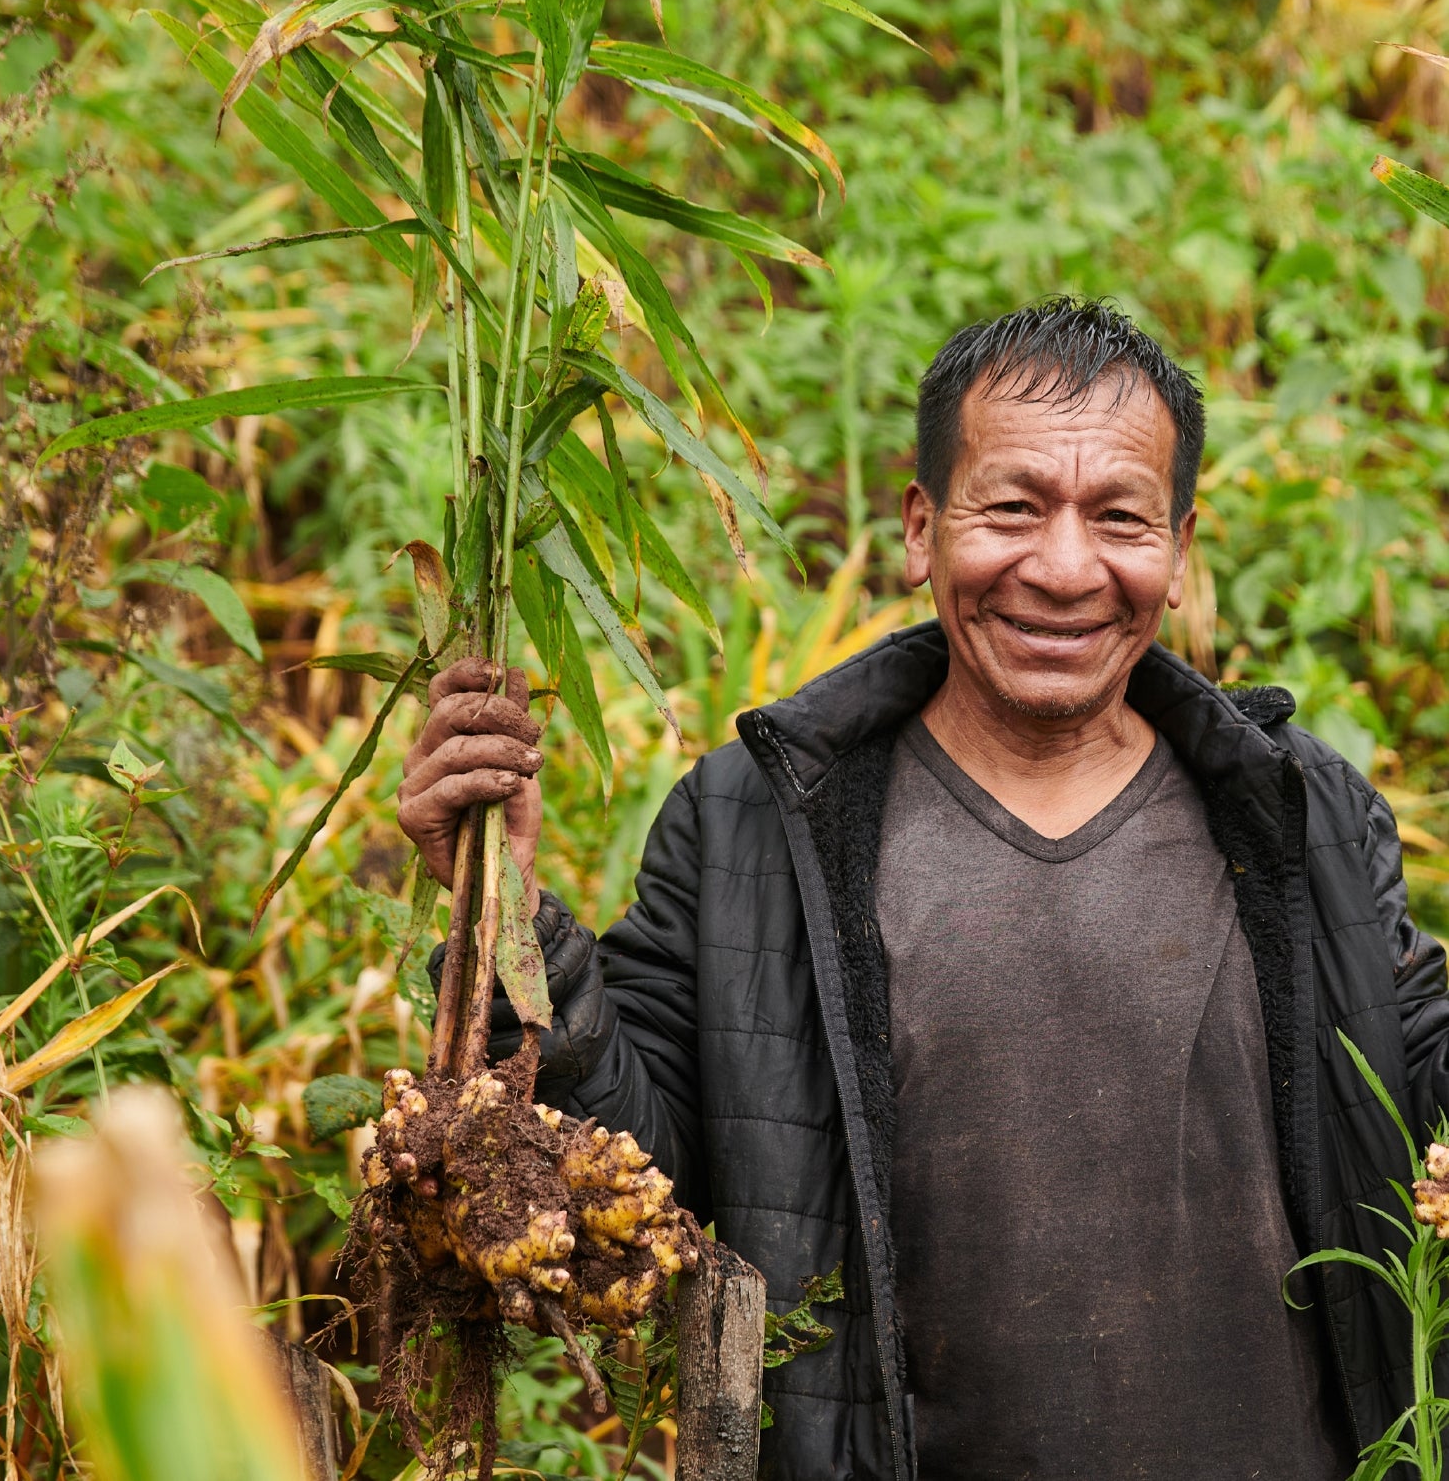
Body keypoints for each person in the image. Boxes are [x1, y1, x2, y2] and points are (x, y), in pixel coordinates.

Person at [396, 297, 1449, 1480]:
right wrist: (506, 906)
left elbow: (1417, 1112)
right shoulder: (750, 826)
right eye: (1011, 508)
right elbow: (643, 1181)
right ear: (919, 527)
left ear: (1181, 548)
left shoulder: (1302, 817)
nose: (1063, 568)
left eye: (1120, 518)